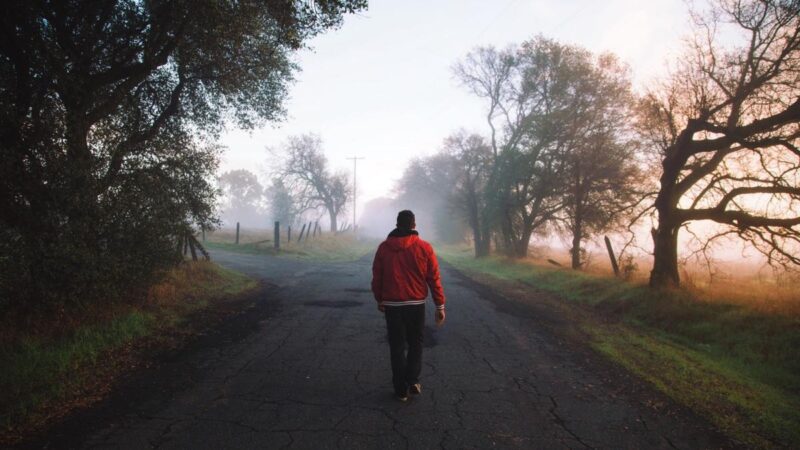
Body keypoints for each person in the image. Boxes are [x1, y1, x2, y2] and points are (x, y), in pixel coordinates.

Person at [371, 210, 446, 402]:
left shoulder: (383, 248)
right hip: (416, 304)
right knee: (415, 343)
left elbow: (377, 277)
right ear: (414, 225)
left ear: (397, 224)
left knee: (396, 346)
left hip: (392, 304)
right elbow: (433, 278)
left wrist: (380, 299)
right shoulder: (424, 248)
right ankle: (412, 379)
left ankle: (400, 390)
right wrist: (440, 306)